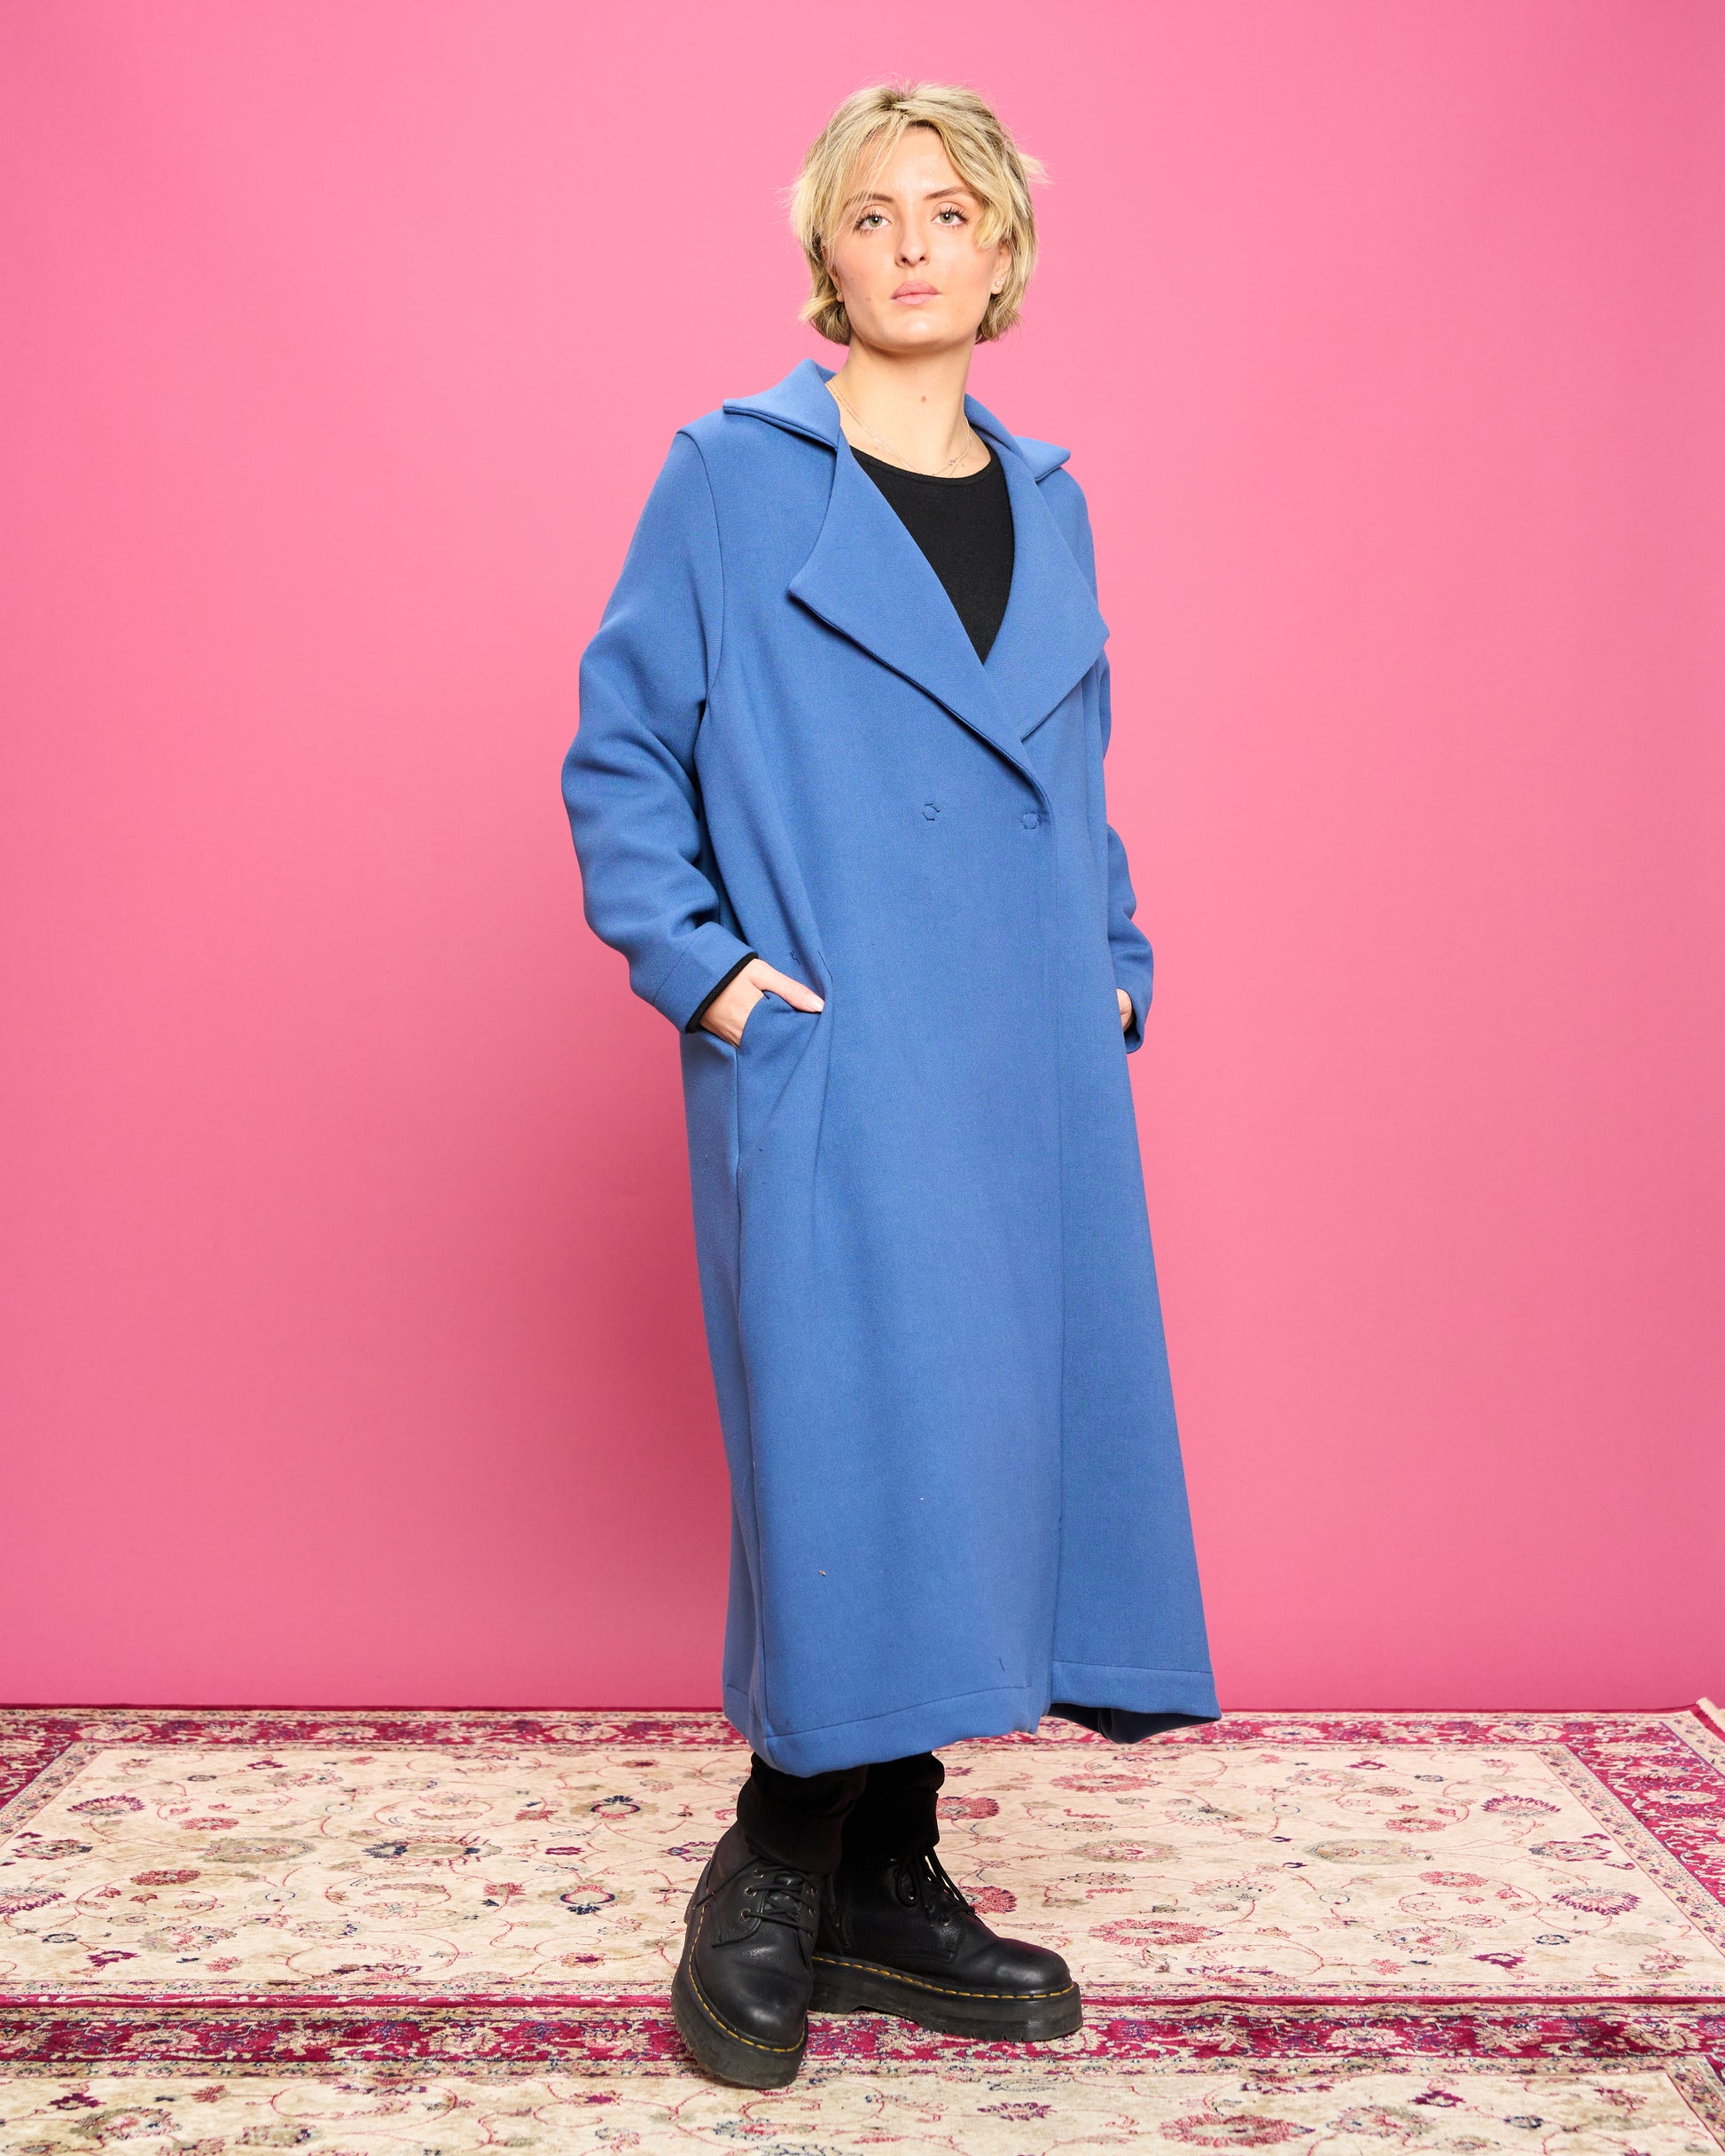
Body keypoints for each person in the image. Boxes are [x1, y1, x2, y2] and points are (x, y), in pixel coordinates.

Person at [561, 81, 1218, 2088]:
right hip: (835, 1046)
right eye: (872, 213)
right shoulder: (731, 477)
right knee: (848, 1439)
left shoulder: (1053, 497)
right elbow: (620, 755)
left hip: (1026, 1061)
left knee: (986, 1446)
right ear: (823, 259)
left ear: (1003, 250)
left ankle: (889, 1867)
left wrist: (1111, 964)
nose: (914, 241)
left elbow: (1071, 759)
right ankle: (774, 1859)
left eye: (949, 209)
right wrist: (716, 982)